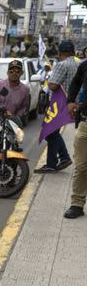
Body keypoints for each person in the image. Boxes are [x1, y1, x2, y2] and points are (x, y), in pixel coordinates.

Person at [36, 40, 77, 173]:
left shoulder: (61, 65)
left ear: (59, 53)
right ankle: (54, 162)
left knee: (50, 131)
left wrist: (52, 77)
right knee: (52, 132)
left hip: (62, 102)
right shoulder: (78, 63)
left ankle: (62, 158)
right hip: (75, 101)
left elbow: (53, 85)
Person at [65, 56, 87, 218]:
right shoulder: (84, 66)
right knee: (81, 166)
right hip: (85, 123)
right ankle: (77, 204)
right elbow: (74, 83)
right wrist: (70, 101)